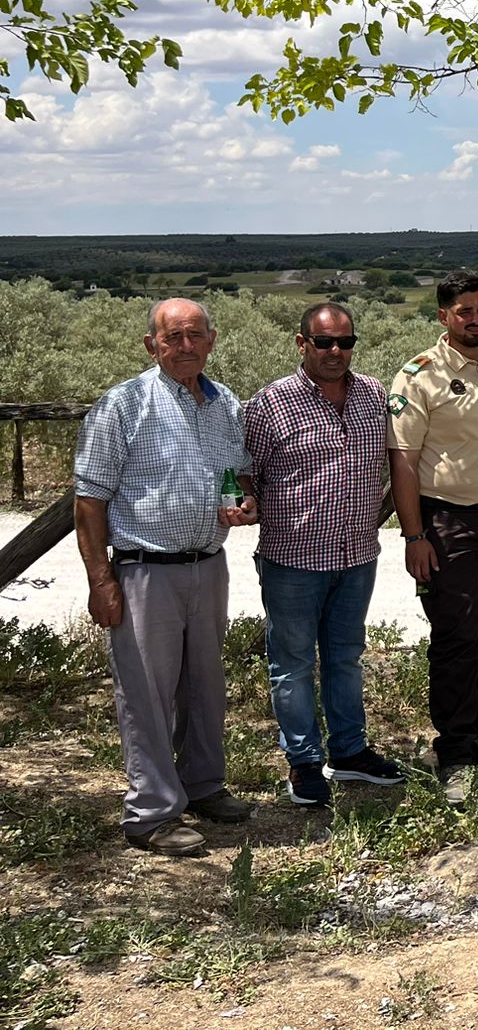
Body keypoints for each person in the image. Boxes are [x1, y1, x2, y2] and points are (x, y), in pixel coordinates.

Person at [72, 297, 256, 855]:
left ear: (213, 340)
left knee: (205, 686)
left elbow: (239, 476)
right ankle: (150, 814)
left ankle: (202, 786)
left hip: (208, 564)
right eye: (172, 337)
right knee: (146, 694)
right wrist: (100, 580)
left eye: (195, 335)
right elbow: (89, 500)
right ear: (151, 344)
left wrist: (243, 502)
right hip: (144, 570)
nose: (185, 346)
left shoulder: (225, 403)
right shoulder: (123, 405)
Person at [243, 301, 404, 807]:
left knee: (346, 657)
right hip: (292, 558)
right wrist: (245, 498)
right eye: (325, 342)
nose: (337, 351)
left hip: (357, 554)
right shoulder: (268, 405)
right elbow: (244, 470)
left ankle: (350, 752)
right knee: (291, 664)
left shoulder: (374, 395)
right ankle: (304, 762)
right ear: (302, 344)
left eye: (346, 342)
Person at [388, 270, 478, 805]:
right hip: (444, 520)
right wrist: (413, 535)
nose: (475, 319)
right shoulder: (418, 376)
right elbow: (403, 461)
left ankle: (476, 732)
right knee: (455, 634)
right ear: (443, 317)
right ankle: (453, 751)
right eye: (464, 312)